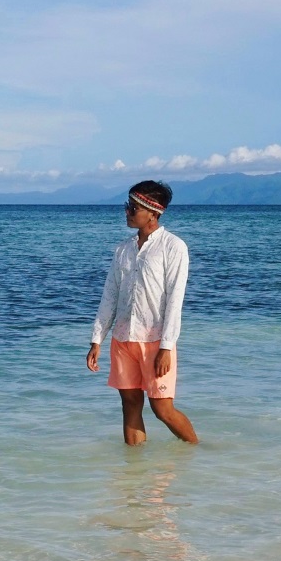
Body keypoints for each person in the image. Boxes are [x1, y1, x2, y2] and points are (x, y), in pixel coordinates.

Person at [86, 180, 198, 446]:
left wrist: (167, 347)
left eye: (133, 207)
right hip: (122, 339)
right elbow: (110, 296)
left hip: (155, 341)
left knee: (163, 410)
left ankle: (197, 452)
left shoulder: (174, 247)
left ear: (152, 212)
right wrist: (96, 339)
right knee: (130, 405)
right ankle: (133, 478)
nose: (127, 211)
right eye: (127, 206)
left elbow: (175, 300)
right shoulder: (123, 249)